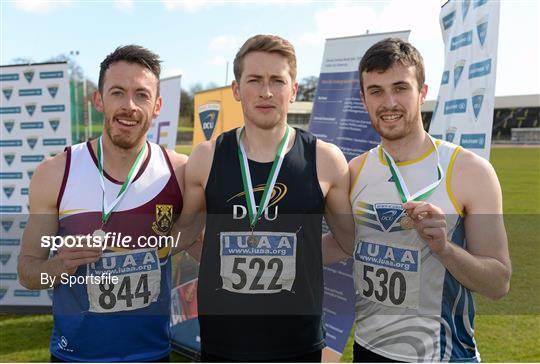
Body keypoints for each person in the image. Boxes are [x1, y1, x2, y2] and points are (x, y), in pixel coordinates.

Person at [324, 38, 512, 362]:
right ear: (363, 100)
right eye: (376, 91)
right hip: (368, 351)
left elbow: (498, 282)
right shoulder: (354, 171)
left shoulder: (469, 171)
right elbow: (344, 244)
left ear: (422, 93)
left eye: (400, 87)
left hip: (442, 355)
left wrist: (444, 249)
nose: (389, 102)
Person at [173, 34, 354, 362]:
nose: (266, 92)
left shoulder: (326, 160)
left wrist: (300, 257)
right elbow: (187, 237)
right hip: (223, 340)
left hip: (298, 341)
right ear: (236, 89)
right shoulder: (206, 158)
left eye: (277, 81)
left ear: (294, 89)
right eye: (254, 80)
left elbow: (345, 242)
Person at [18, 45, 187, 362]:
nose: (129, 106)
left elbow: (198, 243)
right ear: (99, 100)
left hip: (152, 355)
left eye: (141, 95)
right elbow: (28, 273)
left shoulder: (179, 171)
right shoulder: (56, 173)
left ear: (157, 106)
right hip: (75, 356)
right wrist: (60, 265)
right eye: (118, 93)